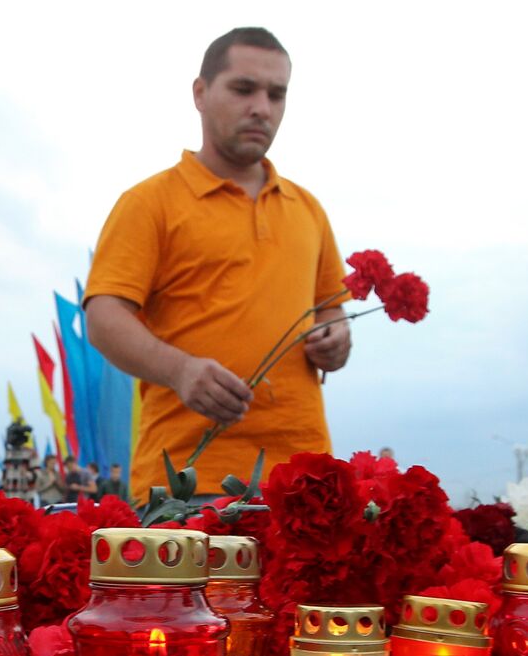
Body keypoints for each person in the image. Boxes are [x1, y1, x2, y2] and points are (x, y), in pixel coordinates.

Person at [84, 27, 350, 503]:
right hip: (187, 484)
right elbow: (104, 318)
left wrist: (337, 337)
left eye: (277, 94)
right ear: (200, 94)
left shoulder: (308, 209)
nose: (262, 108)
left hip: (304, 487)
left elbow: (331, 309)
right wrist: (181, 370)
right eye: (244, 89)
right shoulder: (150, 203)